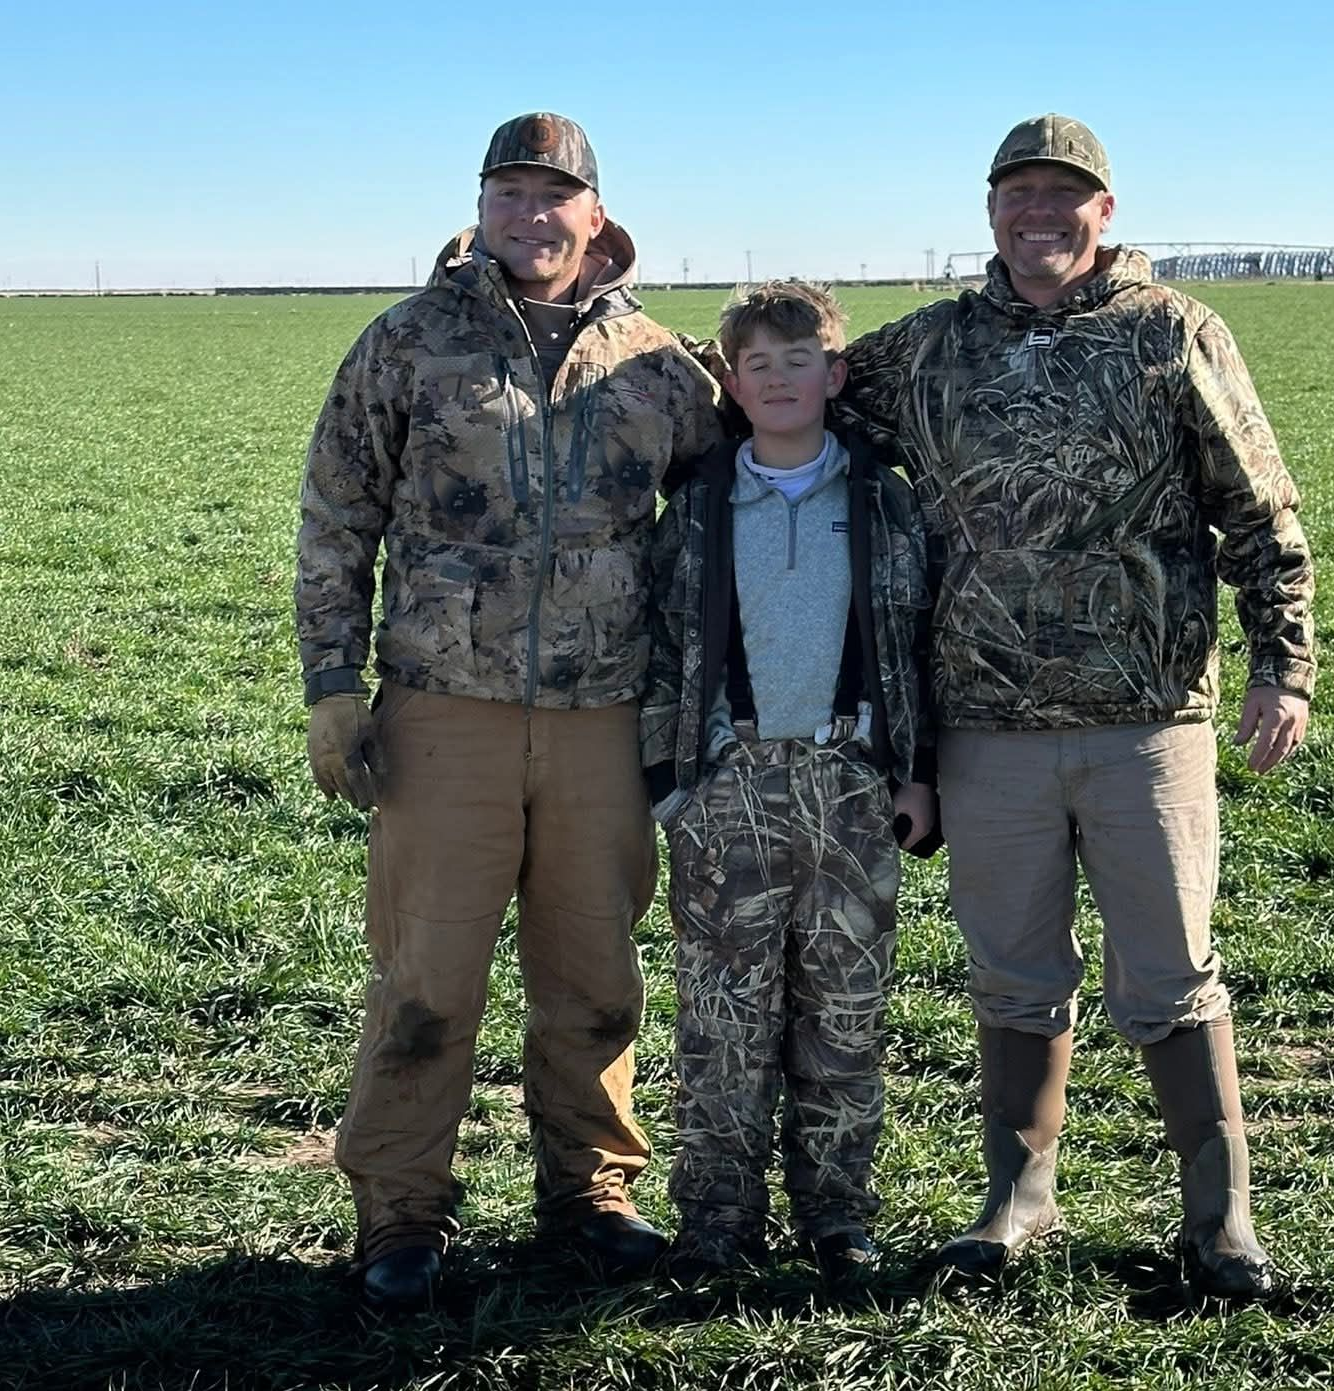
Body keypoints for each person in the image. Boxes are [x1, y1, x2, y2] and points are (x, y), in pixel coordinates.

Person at [838, 114, 1315, 1300]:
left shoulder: (1170, 334)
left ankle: (1221, 1220)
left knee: (1171, 972)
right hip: (986, 726)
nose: (1038, 213)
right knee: (1010, 972)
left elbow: (1259, 508)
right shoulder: (930, 350)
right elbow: (781, 375)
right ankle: (1018, 1197)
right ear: (989, 209)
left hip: (1146, 721)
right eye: (1018, 194)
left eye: (1065, 195)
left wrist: (1284, 664)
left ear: (1106, 213)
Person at [296, 111, 724, 1308]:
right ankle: (399, 1207)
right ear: (480, 207)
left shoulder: (658, 363)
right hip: (446, 714)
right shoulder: (408, 343)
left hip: (603, 717)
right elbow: (337, 517)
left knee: (593, 970)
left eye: (554, 197)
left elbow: (733, 508)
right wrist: (334, 688)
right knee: (426, 979)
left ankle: (590, 1188)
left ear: (597, 215)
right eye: (507, 194)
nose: (530, 217)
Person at [641, 283, 940, 1287]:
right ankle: (716, 1218)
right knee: (724, 1016)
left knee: (844, 1015)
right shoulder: (697, 508)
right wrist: (672, 784)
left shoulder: (886, 502)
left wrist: (916, 773)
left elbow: (915, 648)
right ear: (730, 382)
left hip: (852, 784)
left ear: (836, 373)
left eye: (798, 358)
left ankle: (837, 1212)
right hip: (731, 784)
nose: (777, 377)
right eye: (755, 363)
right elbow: (664, 650)